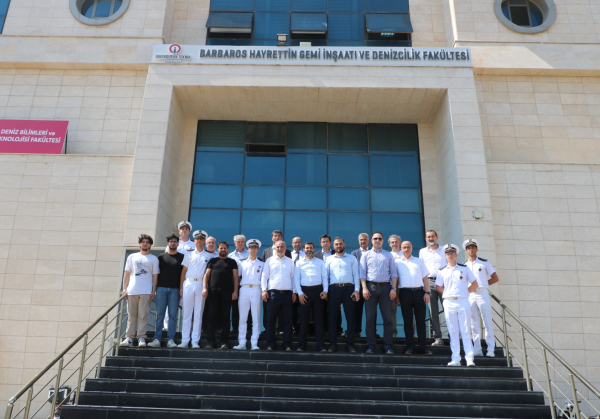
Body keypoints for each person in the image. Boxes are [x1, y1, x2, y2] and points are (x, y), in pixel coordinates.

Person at [435, 244, 478, 367]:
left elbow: (475, 283)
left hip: (463, 301)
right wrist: (447, 293)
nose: (450, 255)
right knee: (452, 330)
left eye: (452, 253)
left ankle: (469, 358)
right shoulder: (442, 270)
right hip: (449, 302)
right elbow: (438, 286)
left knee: (466, 330)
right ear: (445, 255)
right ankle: (456, 358)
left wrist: (465, 292)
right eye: (448, 253)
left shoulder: (464, 269)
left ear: (456, 255)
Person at [360, 231, 397, 355]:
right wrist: (364, 288)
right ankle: (370, 346)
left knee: (387, 319)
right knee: (370, 319)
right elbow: (362, 274)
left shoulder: (388, 255)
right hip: (370, 288)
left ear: (382, 240)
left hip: (386, 288)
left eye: (379, 238)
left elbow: (394, 273)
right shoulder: (366, 255)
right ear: (371, 240)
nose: (377, 240)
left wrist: (393, 288)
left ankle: (388, 346)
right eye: (375, 238)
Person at [120, 234, 159, 348]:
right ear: (140, 244)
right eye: (143, 242)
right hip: (132, 290)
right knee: (131, 315)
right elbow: (127, 273)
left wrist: (153, 290)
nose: (145, 244)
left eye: (147, 242)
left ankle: (141, 337)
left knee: (143, 315)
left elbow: (155, 276)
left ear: (150, 245)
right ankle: (129, 337)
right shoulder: (132, 257)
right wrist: (124, 288)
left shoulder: (153, 259)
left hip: (146, 291)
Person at [394, 240, 432, 356]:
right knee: (408, 322)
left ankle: (423, 347)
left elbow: (425, 278)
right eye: (404, 247)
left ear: (412, 248)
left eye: (408, 247)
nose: (406, 249)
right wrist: (397, 297)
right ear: (401, 249)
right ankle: (410, 347)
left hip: (419, 292)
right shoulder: (397, 262)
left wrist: (427, 292)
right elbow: (395, 280)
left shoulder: (419, 261)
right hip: (404, 293)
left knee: (421, 322)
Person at [463, 238, 499, 358]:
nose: (471, 249)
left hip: (482, 293)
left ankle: (490, 349)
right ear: (466, 251)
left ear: (476, 249)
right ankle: (477, 348)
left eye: (473, 247)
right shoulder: (464, 265)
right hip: (470, 295)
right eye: (469, 248)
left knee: (487, 321)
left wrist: (483, 284)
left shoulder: (484, 262)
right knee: (474, 323)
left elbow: (495, 278)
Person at [178, 230, 213, 349]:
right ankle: (184, 340)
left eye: (201, 239)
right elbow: (184, 271)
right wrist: (181, 287)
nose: (199, 241)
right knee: (187, 313)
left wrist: (205, 287)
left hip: (201, 284)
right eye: (197, 239)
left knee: (198, 313)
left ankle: (195, 341)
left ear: (204, 241)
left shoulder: (209, 255)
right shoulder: (189, 253)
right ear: (195, 241)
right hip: (189, 282)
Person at [325, 237, 360, 353]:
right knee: (332, 317)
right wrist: (326, 291)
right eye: (336, 244)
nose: (338, 246)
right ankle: (332, 344)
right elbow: (325, 277)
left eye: (340, 244)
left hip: (348, 289)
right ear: (333, 246)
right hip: (333, 289)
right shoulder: (329, 259)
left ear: (344, 245)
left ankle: (350, 344)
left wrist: (357, 290)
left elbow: (356, 274)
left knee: (350, 317)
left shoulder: (351, 258)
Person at [202, 242, 239, 349]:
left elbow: (235, 278)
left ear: (228, 249)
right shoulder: (212, 261)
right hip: (213, 292)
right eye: (221, 248)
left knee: (225, 317)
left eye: (225, 248)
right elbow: (206, 275)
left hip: (227, 293)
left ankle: (224, 341)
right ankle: (210, 341)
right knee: (211, 317)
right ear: (217, 250)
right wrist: (204, 288)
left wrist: (235, 291)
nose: (223, 250)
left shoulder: (232, 262)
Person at [148, 234, 183, 348]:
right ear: (168, 243)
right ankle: (157, 339)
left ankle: (171, 340)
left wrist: (181, 288)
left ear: (178, 243)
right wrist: (154, 289)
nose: (173, 243)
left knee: (172, 315)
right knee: (160, 315)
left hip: (175, 289)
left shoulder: (182, 257)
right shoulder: (161, 257)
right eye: (171, 241)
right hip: (161, 288)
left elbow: (183, 275)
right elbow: (156, 274)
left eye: (175, 241)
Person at [261, 240, 296, 351]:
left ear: (285, 248)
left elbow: (293, 278)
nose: (280, 249)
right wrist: (264, 290)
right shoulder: (269, 260)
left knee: (287, 320)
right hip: (273, 294)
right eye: (278, 247)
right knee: (271, 319)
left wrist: (294, 292)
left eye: (282, 247)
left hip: (287, 294)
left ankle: (287, 344)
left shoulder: (290, 261)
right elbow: (264, 276)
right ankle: (271, 343)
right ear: (275, 248)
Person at [294, 241, 327, 352]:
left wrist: (325, 291)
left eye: (311, 248)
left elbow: (324, 277)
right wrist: (299, 293)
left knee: (319, 320)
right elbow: (296, 279)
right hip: (304, 292)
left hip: (318, 291)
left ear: (314, 249)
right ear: (304, 250)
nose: (309, 250)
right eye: (307, 248)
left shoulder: (320, 262)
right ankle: (301, 345)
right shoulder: (299, 263)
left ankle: (321, 345)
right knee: (303, 319)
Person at [162, 221, 194, 331]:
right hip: (174, 275)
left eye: (186, 229)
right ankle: (167, 326)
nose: (184, 230)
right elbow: (167, 258)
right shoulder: (173, 243)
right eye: (182, 229)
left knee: (187, 303)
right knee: (170, 302)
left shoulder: (193, 245)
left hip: (188, 275)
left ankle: (187, 327)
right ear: (179, 231)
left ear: (189, 231)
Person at [233, 239, 264, 351]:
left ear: (258, 249)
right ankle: (242, 342)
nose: (253, 249)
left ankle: (254, 342)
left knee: (256, 317)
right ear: (248, 249)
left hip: (256, 289)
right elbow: (237, 277)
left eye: (255, 247)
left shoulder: (262, 263)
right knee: (242, 318)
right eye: (251, 247)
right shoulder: (241, 262)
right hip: (244, 289)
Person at [419, 230, 446, 346]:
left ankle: (453, 335)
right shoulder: (422, 251)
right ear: (426, 238)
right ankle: (438, 337)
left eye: (432, 236)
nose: (431, 238)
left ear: (437, 237)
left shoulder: (444, 249)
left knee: (448, 309)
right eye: (428, 237)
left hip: (443, 282)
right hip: (429, 282)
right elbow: (421, 268)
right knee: (433, 311)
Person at [261, 230, 291, 334]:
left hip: (285, 288)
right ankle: (267, 330)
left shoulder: (288, 252)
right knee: (269, 311)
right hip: (271, 288)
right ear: (272, 238)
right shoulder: (266, 251)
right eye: (275, 236)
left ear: (281, 238)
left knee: (283, 312)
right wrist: (264, 289)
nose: (277, 237)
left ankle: (281, 329)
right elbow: (264, 272)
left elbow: (290, 272)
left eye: (279, 236)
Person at [350, 233, 370, 338]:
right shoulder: (354, 254)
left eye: (365, 239)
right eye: (361, 240)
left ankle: (372, 332)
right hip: (358, 285)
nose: (363, 241)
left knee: (371, 310)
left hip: (371, 284)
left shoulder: (373, 252)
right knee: (357, 309)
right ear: (359, 241)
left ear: (368, 241)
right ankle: (356, 331)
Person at [228, 235, 248, 336]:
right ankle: (235, 328)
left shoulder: (249, 253)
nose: (240, 243)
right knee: (235, 306)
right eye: (238, 242)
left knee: (247, 307)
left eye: (242, 241)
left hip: (246, 284)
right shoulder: (230, 255)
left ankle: (248, 328)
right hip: (234, 284)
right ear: (235, 243)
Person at [388, 235, 402, 338]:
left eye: (396, 242)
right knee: (392, 310)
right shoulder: (387, 255)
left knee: (408, 310)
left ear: (400, 243)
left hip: (404, 285)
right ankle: (393, 332)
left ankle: (411, 332)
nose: (394, 244)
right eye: (392, 242)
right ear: (389, 244)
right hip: (392, 286)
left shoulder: (405, 254)